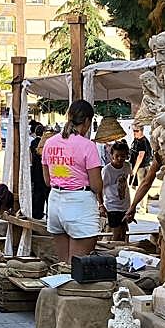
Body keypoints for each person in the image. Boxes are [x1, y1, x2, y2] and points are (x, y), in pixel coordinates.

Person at [42, 99, 104, 262]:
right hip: (79, 205)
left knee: (63, 266)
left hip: (55, 203)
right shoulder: (87, 145)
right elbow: (97, 186)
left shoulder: (49, 143)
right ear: (87, 121)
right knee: (78, 269)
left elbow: (48, 180)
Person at [102, 139, 132, 242]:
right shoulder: (107, 170)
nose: (120, 159)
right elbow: (100, 188)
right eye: (117, 156)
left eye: (123, 156)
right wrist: (101, 205)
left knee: (123, 233)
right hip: (112, 206)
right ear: (112, 156)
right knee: (116, 234)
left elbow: (125, 183)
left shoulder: (127, 166)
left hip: (124, 205)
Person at [29, 123, 50, 220]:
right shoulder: (46, 143)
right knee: (48, 195)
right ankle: (48, 213)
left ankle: (37, 213)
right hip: (45, 172)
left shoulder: (33, 143)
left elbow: (31, 158)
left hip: (36, 172)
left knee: (37, 195)